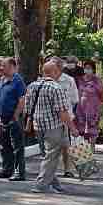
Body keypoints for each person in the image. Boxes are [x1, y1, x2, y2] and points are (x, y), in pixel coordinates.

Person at [25, 59, 77, 194]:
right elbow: (62, 112)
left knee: (47, 155)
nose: (60, 73)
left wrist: (29, 123)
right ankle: (41, 185)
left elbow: (28, 108)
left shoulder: (32, 86)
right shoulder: (56, 87)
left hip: (38, 126)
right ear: (54, 72)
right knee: (51, 156)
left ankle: (54, 183)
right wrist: (73, 128)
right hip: (53, 127)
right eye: (58, 71)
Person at [74, 59, 103, 145]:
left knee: (93, 130)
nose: (87, 70)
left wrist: (100, 107)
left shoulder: (97, 80)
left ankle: (92, 149)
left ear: (93, 69)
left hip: (93, 108)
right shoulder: (79, 80)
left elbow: (102, 94)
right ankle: (85, 151)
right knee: (82, 130)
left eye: (89, 68)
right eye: (85, 68)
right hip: (81, 107)